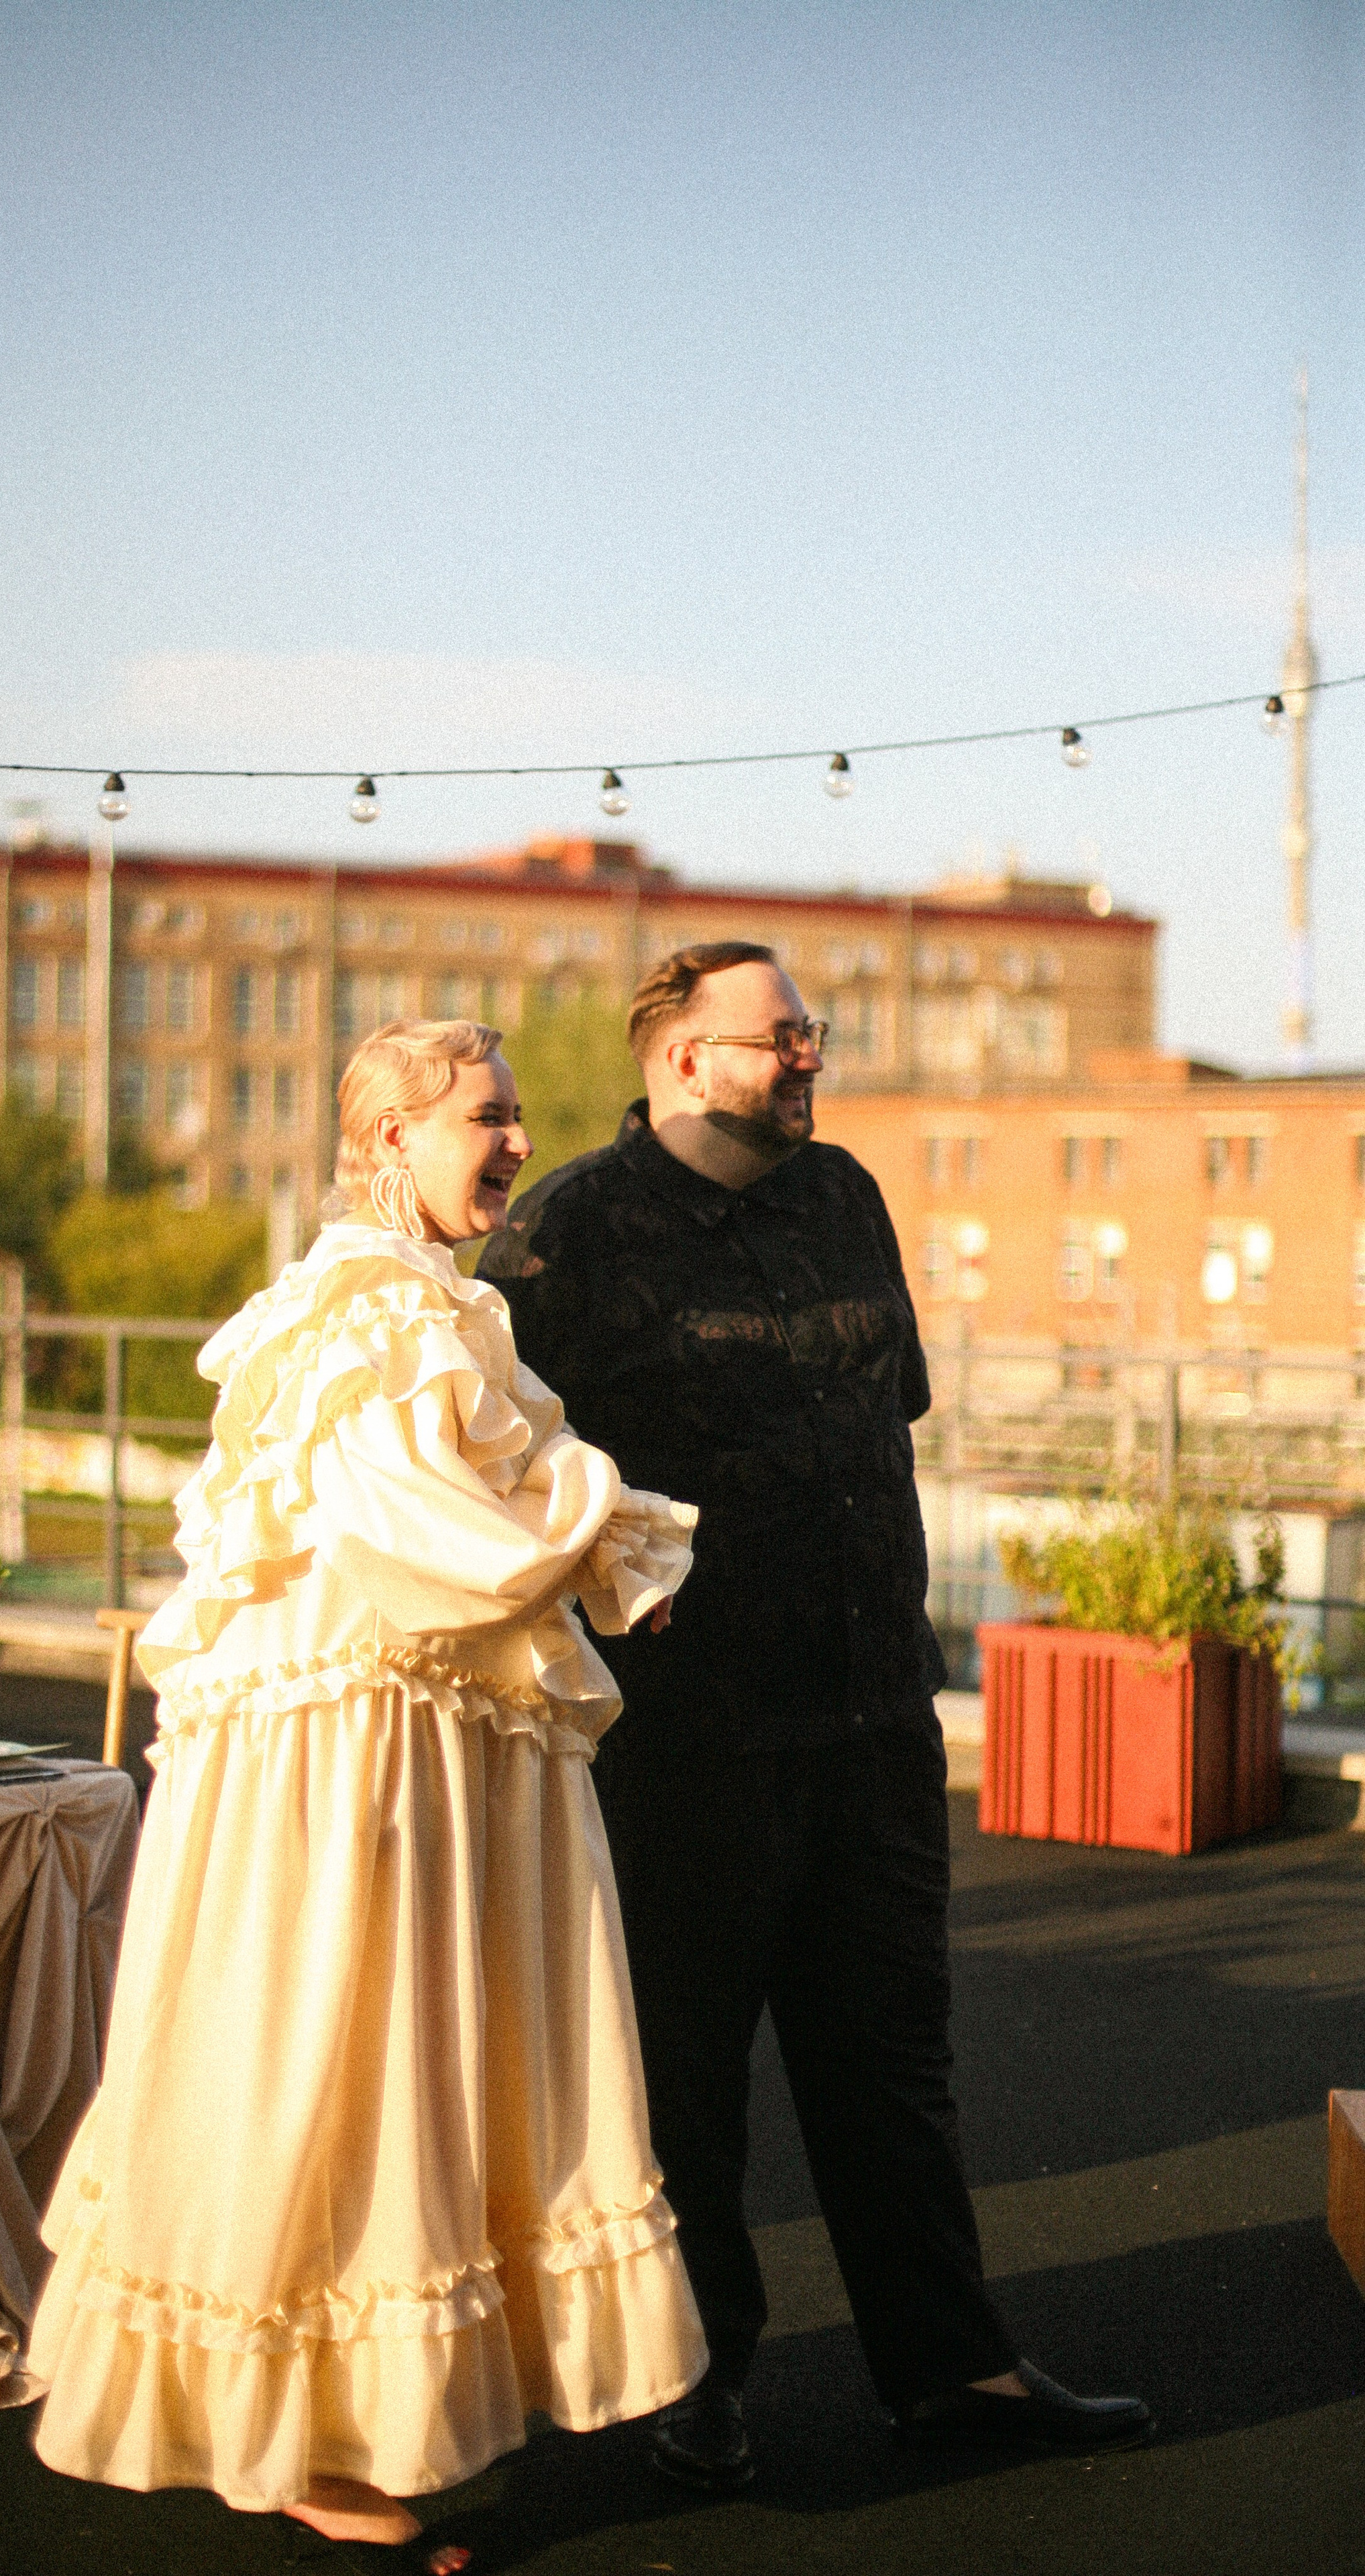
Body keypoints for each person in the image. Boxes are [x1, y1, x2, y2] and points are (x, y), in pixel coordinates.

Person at [28, 1018, 708, 2565]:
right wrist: (597, 1522)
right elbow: (419, 1520)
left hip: (387, 1738)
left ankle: (322, 2422)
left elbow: (480, 1482)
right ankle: (293, 2439)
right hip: (352, 1761)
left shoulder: (414, 1305)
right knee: (339, 2058)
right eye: (487, 1115)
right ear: (389, 1139)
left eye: (518, 1113)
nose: (517, 1140)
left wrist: (599, 1541)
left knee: (367, 2070)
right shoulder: (370, 1309)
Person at [478, 943, 1152, 2489]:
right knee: (685, 2070)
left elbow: (883, 1410)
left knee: (891, 2059)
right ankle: (692, 2380)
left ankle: (951, 2371)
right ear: (677, 1059)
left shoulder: (843, 1195)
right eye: (775, 1038)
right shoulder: (567, 1235)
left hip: (869, 1715)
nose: (804, 1058)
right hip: (685, 1739)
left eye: (809, 1035)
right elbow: (494, 1470)